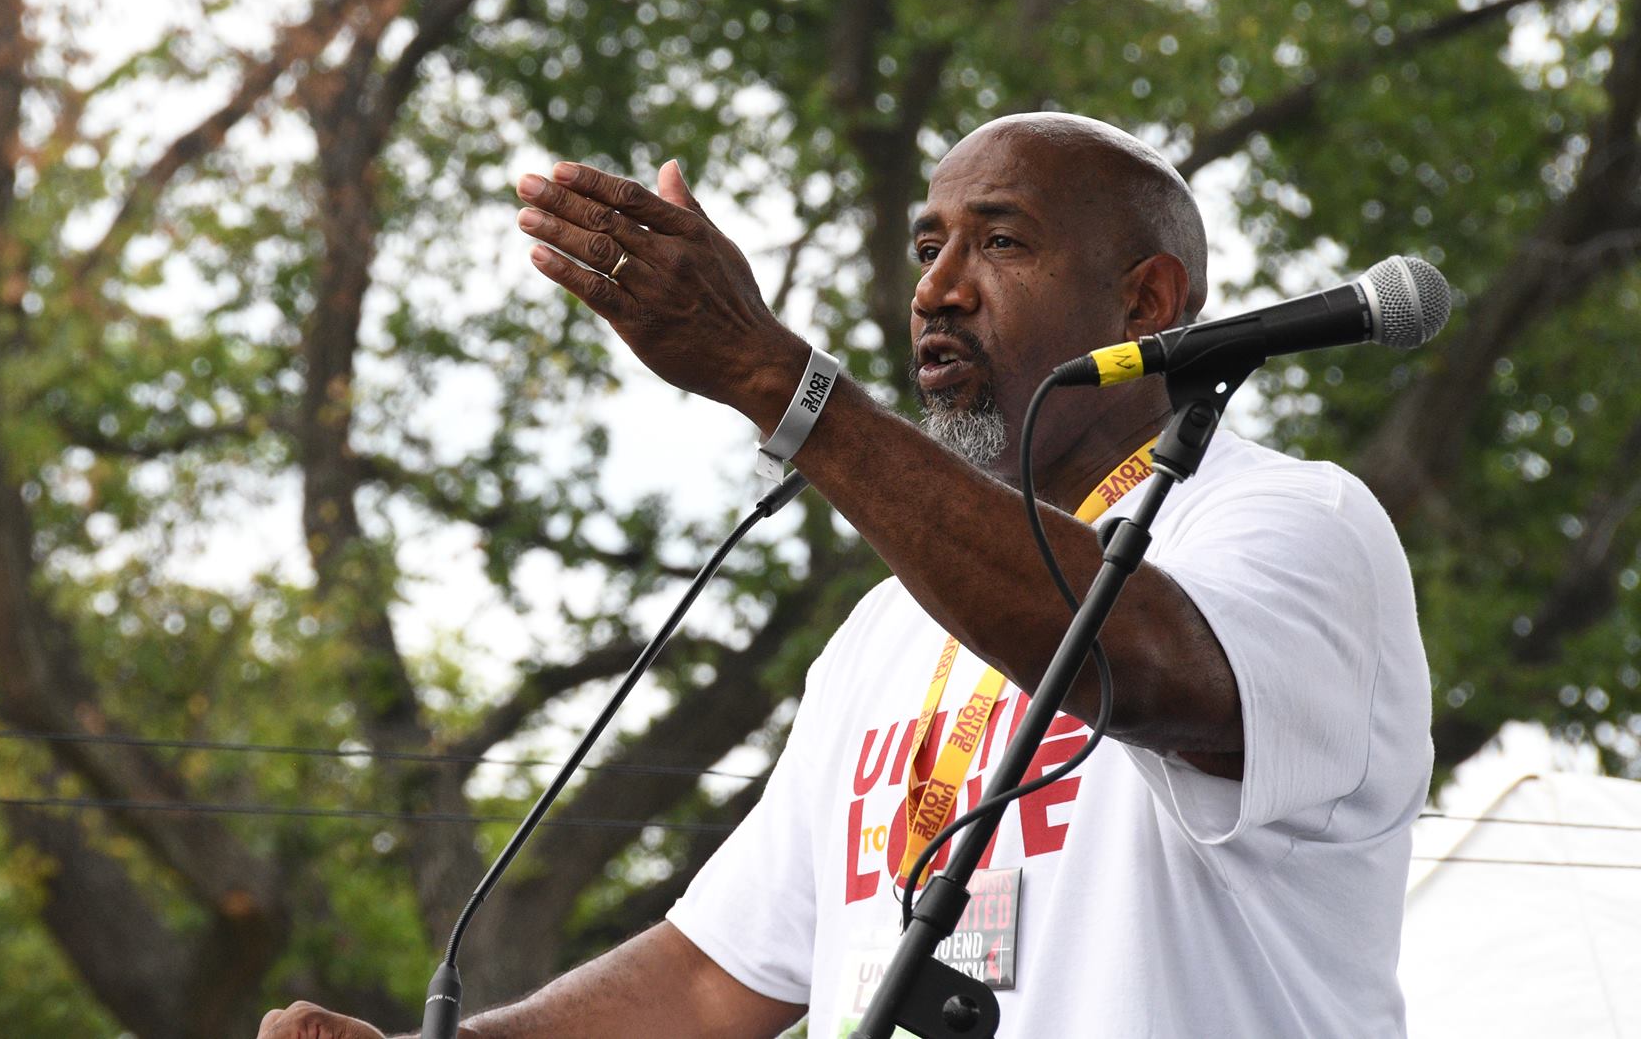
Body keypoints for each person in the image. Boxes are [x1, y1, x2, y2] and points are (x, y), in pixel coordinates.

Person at [260, 112, 1432, 1039]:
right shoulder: (884, 632)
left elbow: (1140, 664)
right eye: (928, 246)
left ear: (1146, 300)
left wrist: (780, 384)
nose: (936, 287)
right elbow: (711, 982)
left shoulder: (1292, 523)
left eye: (1000, 241)